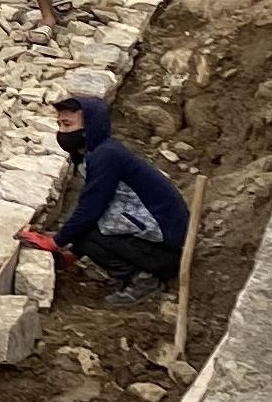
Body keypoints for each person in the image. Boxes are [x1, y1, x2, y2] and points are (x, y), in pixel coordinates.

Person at [27, 92, 190, 296]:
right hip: (155, 236)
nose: (61, 132)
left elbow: (91, 208)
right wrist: (71, 249)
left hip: (166, 247)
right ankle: (135, 269)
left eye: (68, 125)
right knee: (82, 230)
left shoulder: (107, 156)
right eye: (59, 125)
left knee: (85, 232)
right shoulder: (96, 154)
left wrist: (56, 241)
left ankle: (143, 280)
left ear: (90, 127)